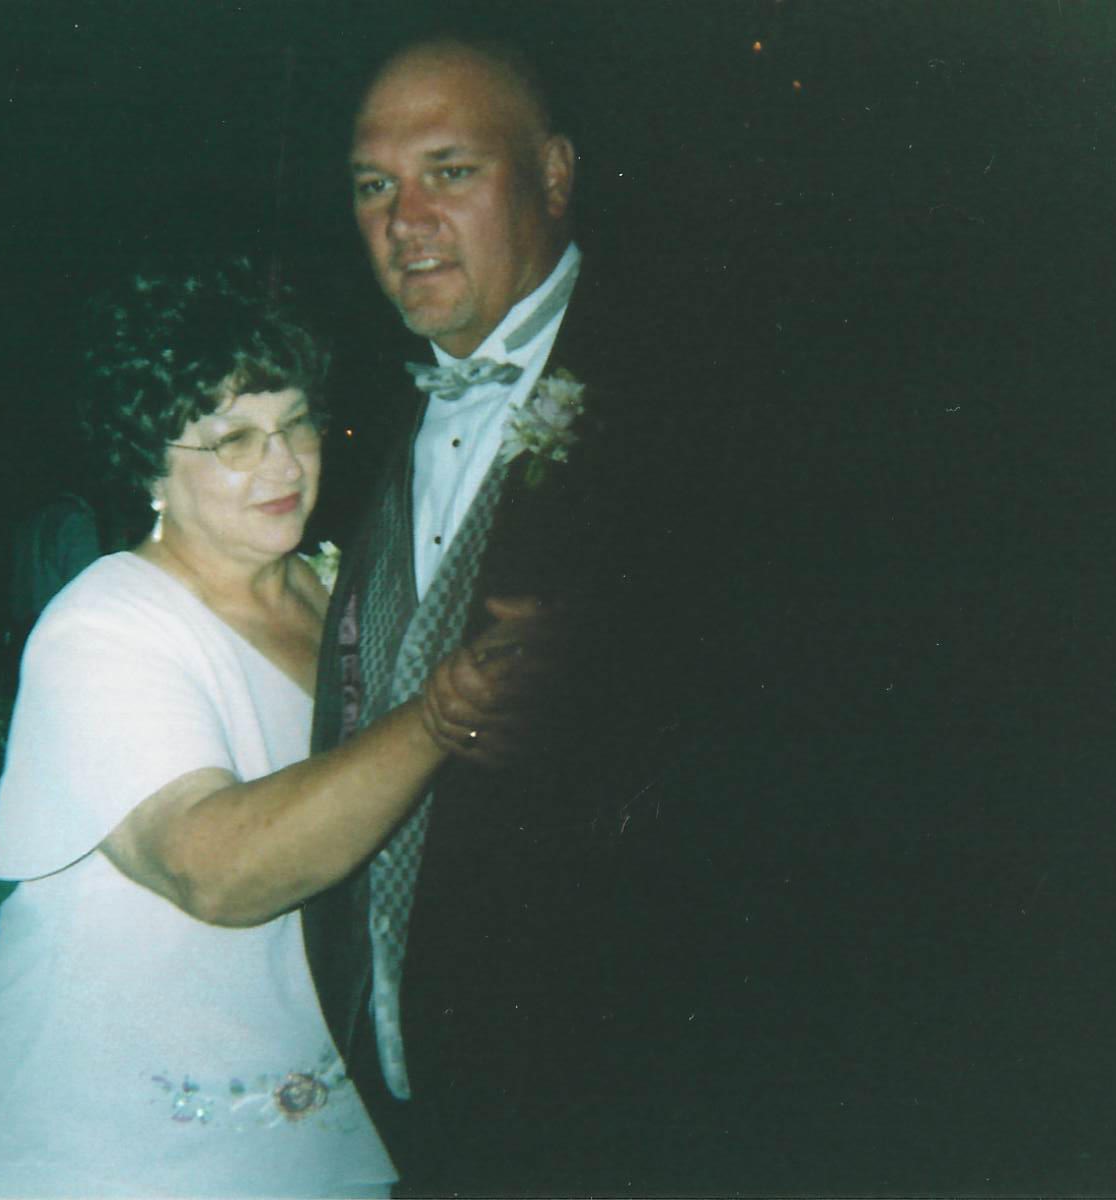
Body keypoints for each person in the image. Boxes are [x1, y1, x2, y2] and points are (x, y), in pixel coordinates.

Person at [0, 264, 546, 1199]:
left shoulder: (335, 592)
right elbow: (212, 869)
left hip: (304, 1128)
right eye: (234, 440)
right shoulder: (105, 625)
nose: (285, 465)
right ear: (150, 464)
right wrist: (436, 718)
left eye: (297, 424)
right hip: (87, 1145)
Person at [301, 34, 700, 1193]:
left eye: (451, 171)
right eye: (374, 184)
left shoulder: (691, 390)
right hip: (378, 1077)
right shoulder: (349, 419)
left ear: (554, 175)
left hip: (599, 1078)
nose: (405, 220)